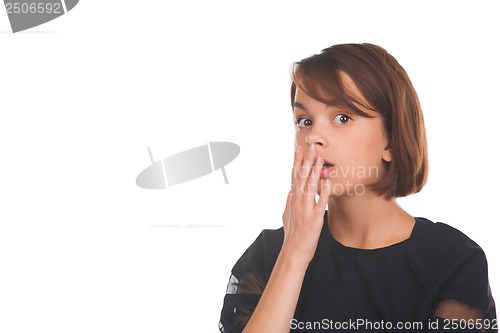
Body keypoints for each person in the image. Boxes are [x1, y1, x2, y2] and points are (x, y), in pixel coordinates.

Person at [218, 43, 497, 333]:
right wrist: (294, 255)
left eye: (342, 118)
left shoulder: (452, 260)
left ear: (391, 139)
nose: (313, 136)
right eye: (304, 121)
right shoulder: (268, 255)